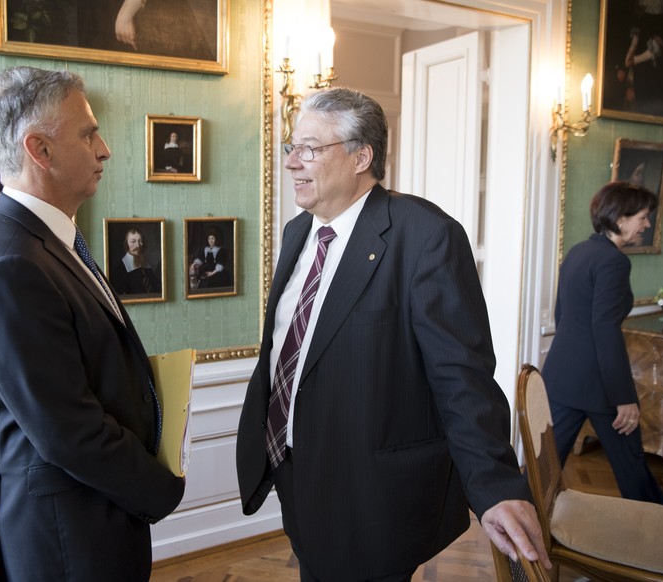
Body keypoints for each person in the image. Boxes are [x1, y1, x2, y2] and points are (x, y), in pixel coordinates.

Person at [235, 87, 550, 581]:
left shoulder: (425, 236)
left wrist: (496, 486)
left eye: (310, 149)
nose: (293, 162)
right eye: (293, 147)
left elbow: (460, 378)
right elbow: (288, 348)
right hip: (295, 468)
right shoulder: (300, 232)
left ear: (362, 156)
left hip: (372, 494)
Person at [0, 66, 185, 581]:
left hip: (89, 518)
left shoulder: (43, 243)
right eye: (88, 133)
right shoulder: (12, 265)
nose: (104, 149)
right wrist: (160, 485)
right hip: (65, 541)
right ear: (40, 150)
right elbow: (69, 432)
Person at [542, 181, 663, 505]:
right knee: (632, 467)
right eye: (642, 217)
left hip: (562, 375)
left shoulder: (578, 251)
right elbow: (606, 330)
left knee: (544, 469)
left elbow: (562, 315)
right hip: (599, 384)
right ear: (620, 217)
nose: (646, 224)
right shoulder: (614, 261)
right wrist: (624, 398)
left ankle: (516, 540)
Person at [112, 226, 161, 296]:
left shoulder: (144, 262)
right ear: (126, 244)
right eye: (133, 241)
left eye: (140, 241)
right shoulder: (120, 267)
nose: (138, 245)